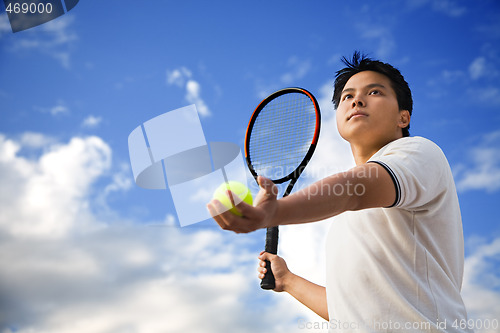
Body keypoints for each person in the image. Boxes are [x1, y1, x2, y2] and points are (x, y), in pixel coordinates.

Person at [207, 51, 471, 332]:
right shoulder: (344, 223)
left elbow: (354, 189)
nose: (357, 99)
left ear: (403, 117)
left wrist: (275, 212)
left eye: (375, 92)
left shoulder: (418, 152)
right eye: (347, 96)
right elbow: (351, 311)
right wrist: (288, 280)